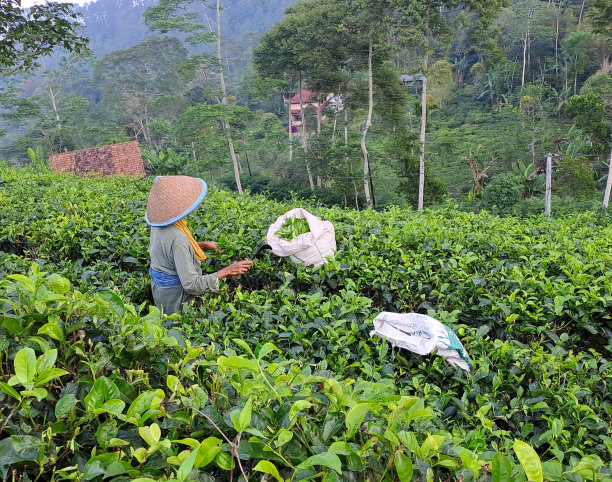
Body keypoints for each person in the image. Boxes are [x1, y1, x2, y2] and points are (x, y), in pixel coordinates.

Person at [145, 175, 252, 315]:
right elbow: (191, 285)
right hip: (175, 298)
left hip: (160, 291)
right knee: (174, 329)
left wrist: (202, 244)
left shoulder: (158, 222)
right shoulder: (179, 239)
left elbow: (168, 250)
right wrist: (227, 271)